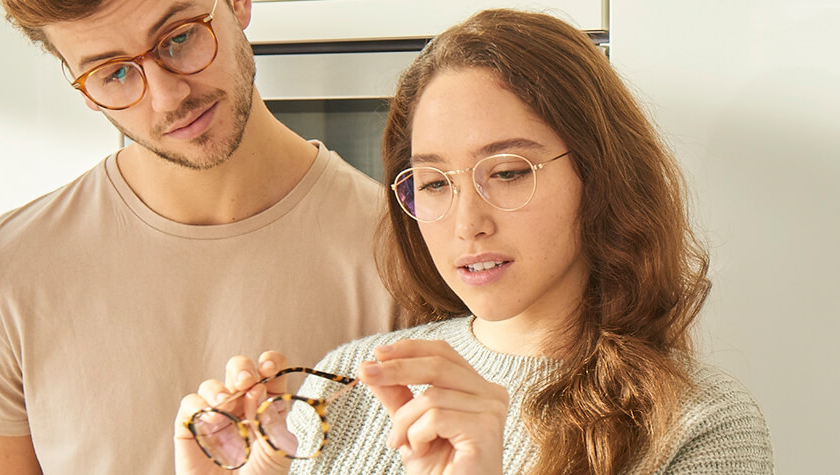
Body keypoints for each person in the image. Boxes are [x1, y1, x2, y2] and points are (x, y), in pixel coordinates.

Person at [173, 8, 774, 475]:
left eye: (508, 172)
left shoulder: (702, 426)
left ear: (599, 174)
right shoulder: (348, 379)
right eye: (433, 183)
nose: (466, 224)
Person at [0, 0, 397, 473]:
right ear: (83, 89)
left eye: (179, 38)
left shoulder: (406, 253)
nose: (167, 96)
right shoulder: (7, 271)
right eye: (113, 73)